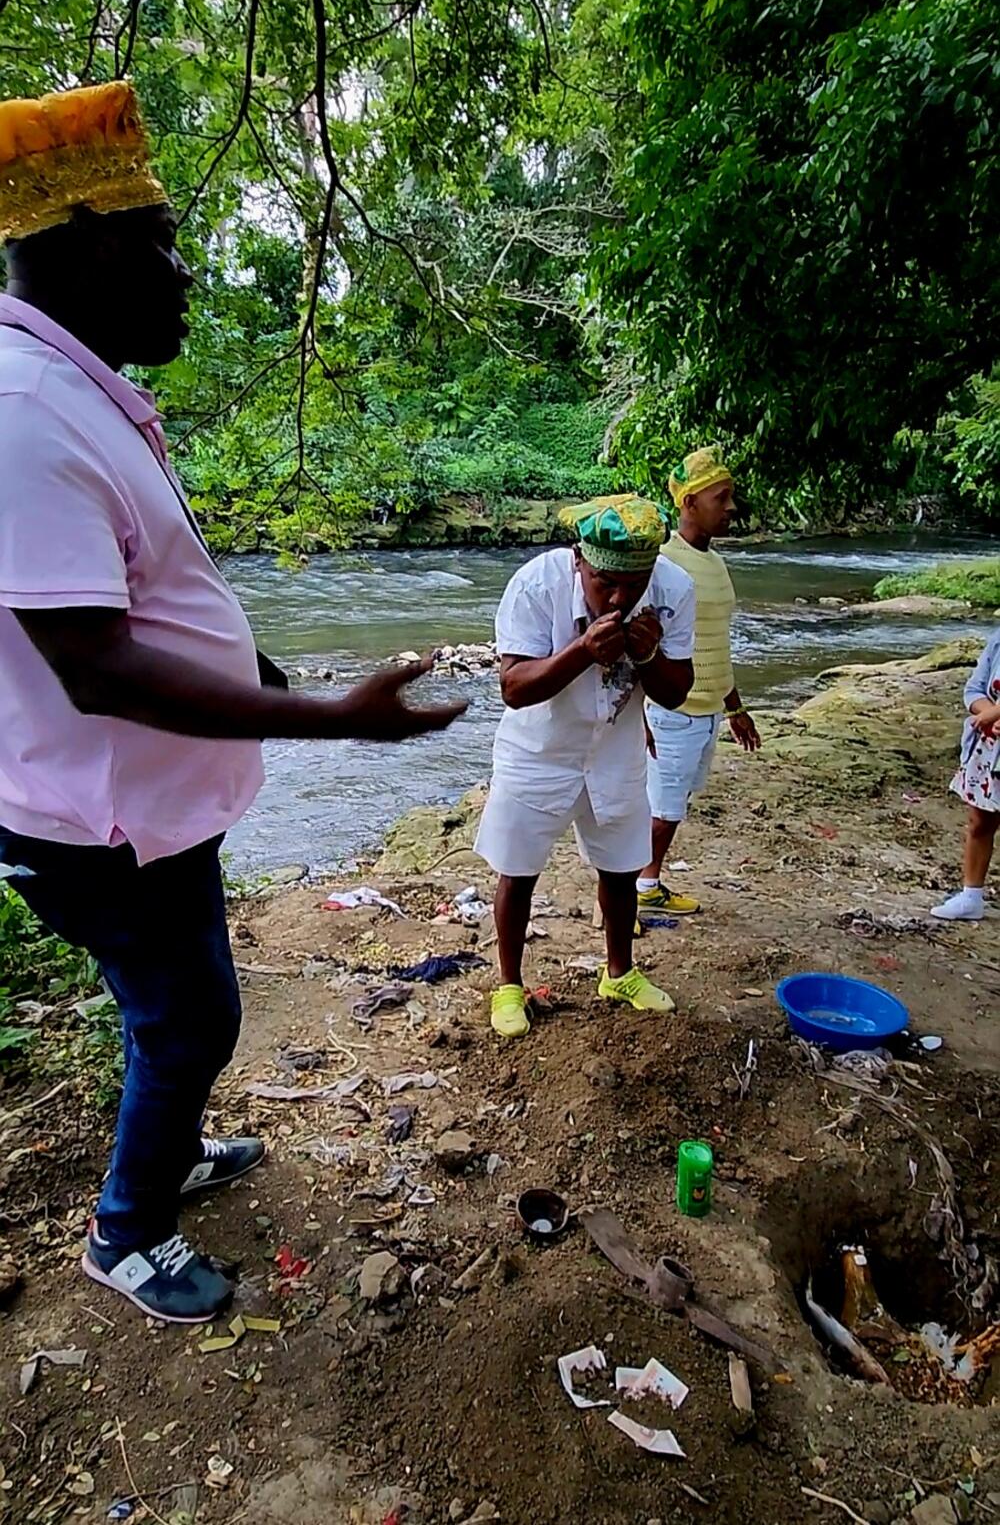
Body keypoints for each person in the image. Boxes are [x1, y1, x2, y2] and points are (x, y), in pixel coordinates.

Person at [0, 83, 465, 1323]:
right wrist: (337, 720)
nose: (185, 277)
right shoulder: (22, 409)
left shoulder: (76, 389)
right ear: (100, 245)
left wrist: (281, 683)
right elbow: (95, 666)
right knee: (193, 1016)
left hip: (149, 811)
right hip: (91, 821)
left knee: (171, 1007)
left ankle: (169, 1148)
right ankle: (126, 1228)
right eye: (168, 247)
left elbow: (166, 598)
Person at [474, 494, 695, 1038]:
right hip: (539, 751)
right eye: (604, 583)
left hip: (616, 750)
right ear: (579, 560)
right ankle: (508, 984)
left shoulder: (673, 589)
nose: (620, 597)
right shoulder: (535, 585)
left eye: (634, 582)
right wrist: (581, 651)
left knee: (620, 869)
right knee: (518, 869)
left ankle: (619, 972)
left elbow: (679, 691)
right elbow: (513, 688)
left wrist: (648, 656)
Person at [637, 447, 760, 916]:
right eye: (721, 498)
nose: (731, 508)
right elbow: (639, 644)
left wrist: (734, 707)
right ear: (688, 504)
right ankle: (621, 899)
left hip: (706, 709)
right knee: (661, 811)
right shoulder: (662, 564)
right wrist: (638, 717)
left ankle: (647, 885)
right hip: (670, 711)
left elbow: (715, 642)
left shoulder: (715, 564)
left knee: (674, 805)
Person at [931, 629, 1000, 921]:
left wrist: (994, 715)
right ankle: (971, 896)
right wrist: (989, 715)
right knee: (979, 821)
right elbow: (974, 689)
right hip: (991, 748)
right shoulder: (999, 640)